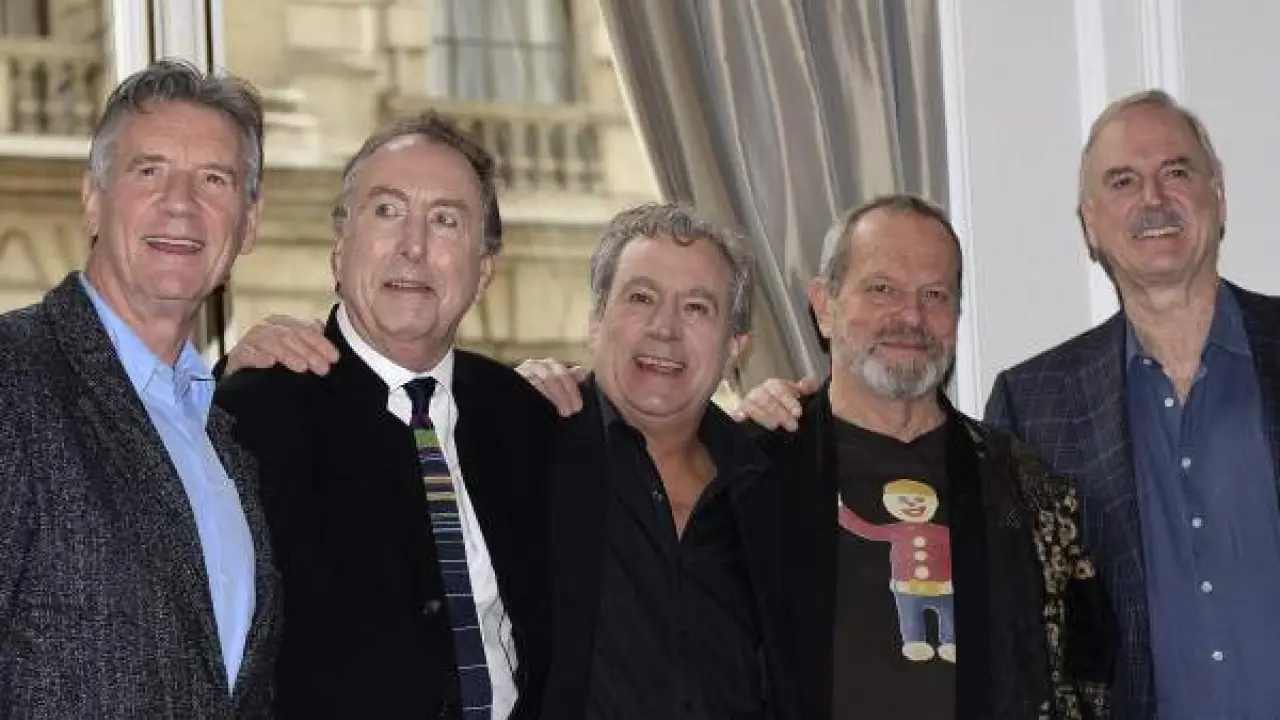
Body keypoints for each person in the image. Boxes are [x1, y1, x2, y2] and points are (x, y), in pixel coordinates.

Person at [520, 194, 1115, 719]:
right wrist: (519, 399)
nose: (910, 316)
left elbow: (1085, 676)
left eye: (934, 294)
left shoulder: (1025, 487)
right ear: (823, 306)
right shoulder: (761, 466)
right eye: (881, 289)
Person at [223, 202, 800, 719]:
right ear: (596, 320)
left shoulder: (777, 479)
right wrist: (242, 370)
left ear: (736, 345)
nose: (664, 329)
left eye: (697, 307)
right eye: (641, 298)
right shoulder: (523, 442)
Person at [214, 113, 556, 718]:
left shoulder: (527, 420)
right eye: (387, 210)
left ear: (483, 272)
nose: (413, 246)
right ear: (339, 249)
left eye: (446, 220)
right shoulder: (251, 419)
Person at [985, 89, 1280, 718]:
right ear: (1090, 224)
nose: (1153, 199)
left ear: (1219, 197)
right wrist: (816, 413)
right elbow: (1003, 622)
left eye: (1176, 172)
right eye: (1123, 181)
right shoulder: (1033, 404)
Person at [0, 60, 280, 716]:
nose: (180, 202)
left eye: (214, 179)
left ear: (249, 222)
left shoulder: (225, 434)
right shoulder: (14, 378)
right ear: (92, 200)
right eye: (149, 171)